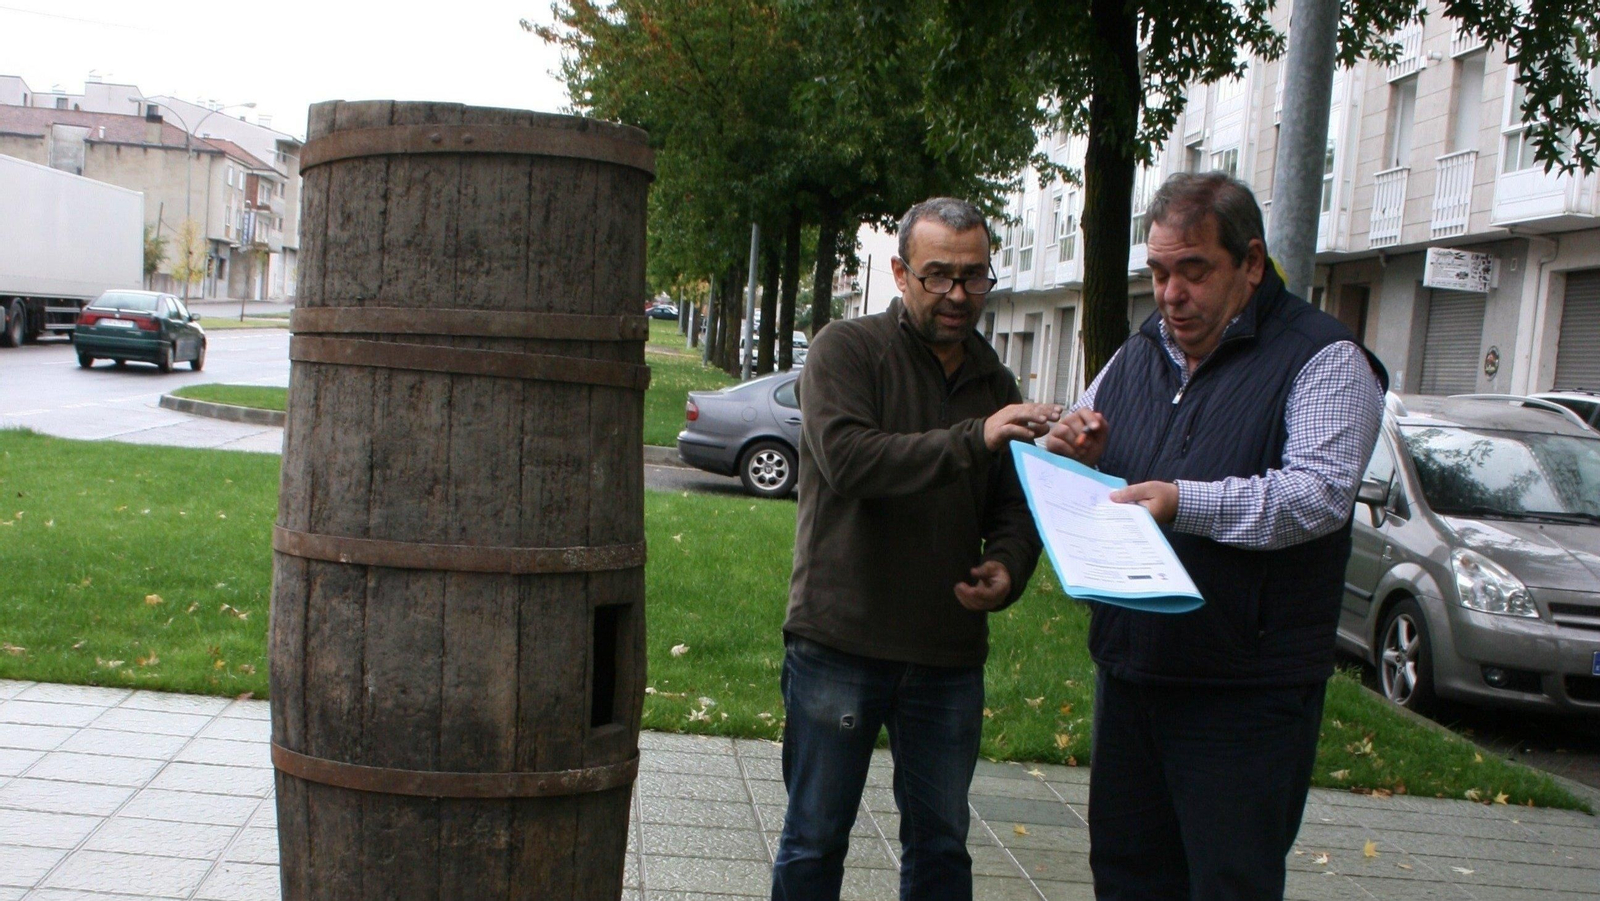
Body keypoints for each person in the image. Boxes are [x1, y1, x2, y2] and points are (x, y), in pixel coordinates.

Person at [1045, 171, 1387, 901]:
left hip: (1244, 691)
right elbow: (1076, 429)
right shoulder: (1142, 350)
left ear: (1251, 264)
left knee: (1228, 883)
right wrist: (1070, 441)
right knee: (1128, 876)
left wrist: (1181, 502)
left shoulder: (1325, 358)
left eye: (1194, 271)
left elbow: (1318, 494)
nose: (1171, 294)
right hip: (1134, 669)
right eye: (1160, 272)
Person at [771, 197, 1058, 901]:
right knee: (813, 839)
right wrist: (976, 435)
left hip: (946, 655)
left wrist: (1010, 565)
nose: (959, 295)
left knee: (939, 846)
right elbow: (849, 460)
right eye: (939, 276)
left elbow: (1015, 503)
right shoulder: (847, 348)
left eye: (975, 276)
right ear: (900, 273)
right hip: (841, 640)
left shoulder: (994, 380)